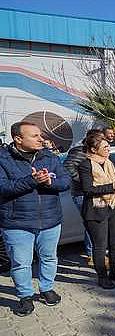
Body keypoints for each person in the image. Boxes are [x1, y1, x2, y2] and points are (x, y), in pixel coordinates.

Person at [0, 121, 71, 316]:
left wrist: (49, 181)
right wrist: (32, 181)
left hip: (50, 220)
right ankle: (25, 296)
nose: (41, 139)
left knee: (49, 257)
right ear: (18, 139)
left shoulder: (49, 157)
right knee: (21, 263)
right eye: (35, 136)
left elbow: (65, 182)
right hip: (17, 223)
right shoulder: (3, 158)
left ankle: (47, 289)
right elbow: (3, 188)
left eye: (41, 135)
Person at [78, 133, 115, 289]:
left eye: (108, 146)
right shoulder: (85, 165)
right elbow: (88, 190)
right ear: (94, 149)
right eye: (105, 147)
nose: (109, 148)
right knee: (100, 245)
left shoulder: (110, 161)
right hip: (96, 210)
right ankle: (102, 277)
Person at [64, 128, 103, 265]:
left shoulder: (98, 151)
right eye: (100, 138)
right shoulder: (79, 151)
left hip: (97, 192)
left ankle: (98, 252)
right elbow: (68, 166)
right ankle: (92, 255)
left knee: (97, 223)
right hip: (82, 193)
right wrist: (84, 180)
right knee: (91, 223)